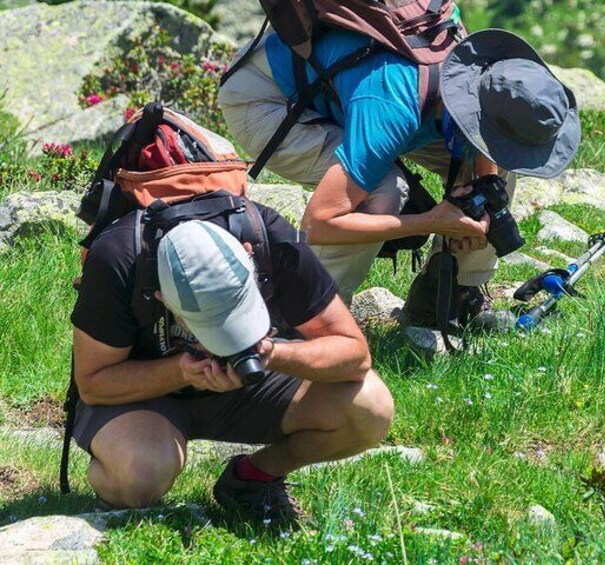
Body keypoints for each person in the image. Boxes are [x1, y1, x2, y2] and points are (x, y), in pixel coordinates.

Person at [218, 27, 580, 327]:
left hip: (354, 91)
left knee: (498, 173)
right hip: (267, 95)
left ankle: (449, 295)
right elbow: (323, 221)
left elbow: (491, 151)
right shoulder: (393, 108)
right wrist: (429, 221)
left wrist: (479, 192)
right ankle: (307, 319)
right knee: (383, 190)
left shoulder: (480, 69)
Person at [70, 204, 394, 527]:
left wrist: (270, 354)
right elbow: (94, 382)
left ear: (248, 255)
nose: (223, 342)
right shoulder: (118, 258)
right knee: (138, 476)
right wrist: (180, 371)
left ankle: (252, 478)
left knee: (370, 407)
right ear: (161, 297)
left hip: (252, 382)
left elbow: (354, 354)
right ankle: (115, 492)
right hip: (145, 397)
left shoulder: (269, 238)